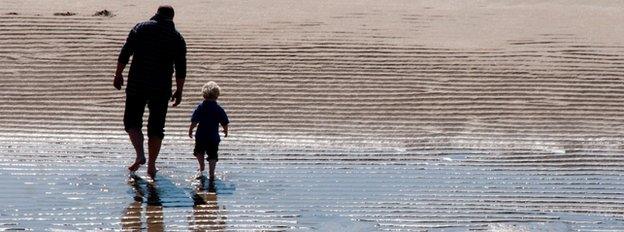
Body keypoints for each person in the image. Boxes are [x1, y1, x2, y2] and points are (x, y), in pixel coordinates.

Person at [113, 5, 186, 178]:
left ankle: (140, 154)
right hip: (161, 88)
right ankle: (151, 166)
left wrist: (118, 74)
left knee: (131, 121)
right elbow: (181, 69)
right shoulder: (177, 38)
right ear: (172, 18)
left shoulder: (140, 28)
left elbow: (125, 53)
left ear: (155, 15)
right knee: (156, 127)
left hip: (137, 83)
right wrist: (179, 91)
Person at [188, 81, 229, 181]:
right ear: (217, 95)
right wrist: (225, 131)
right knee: (213, 155)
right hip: (213, 137)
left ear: (204, 94)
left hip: (201, 135)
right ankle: (211, 173)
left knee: (199, 151)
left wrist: (190, 130)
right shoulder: (218, 108)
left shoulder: (201, 107)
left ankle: (201, 167)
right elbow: (224, 122)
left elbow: (194, 121)